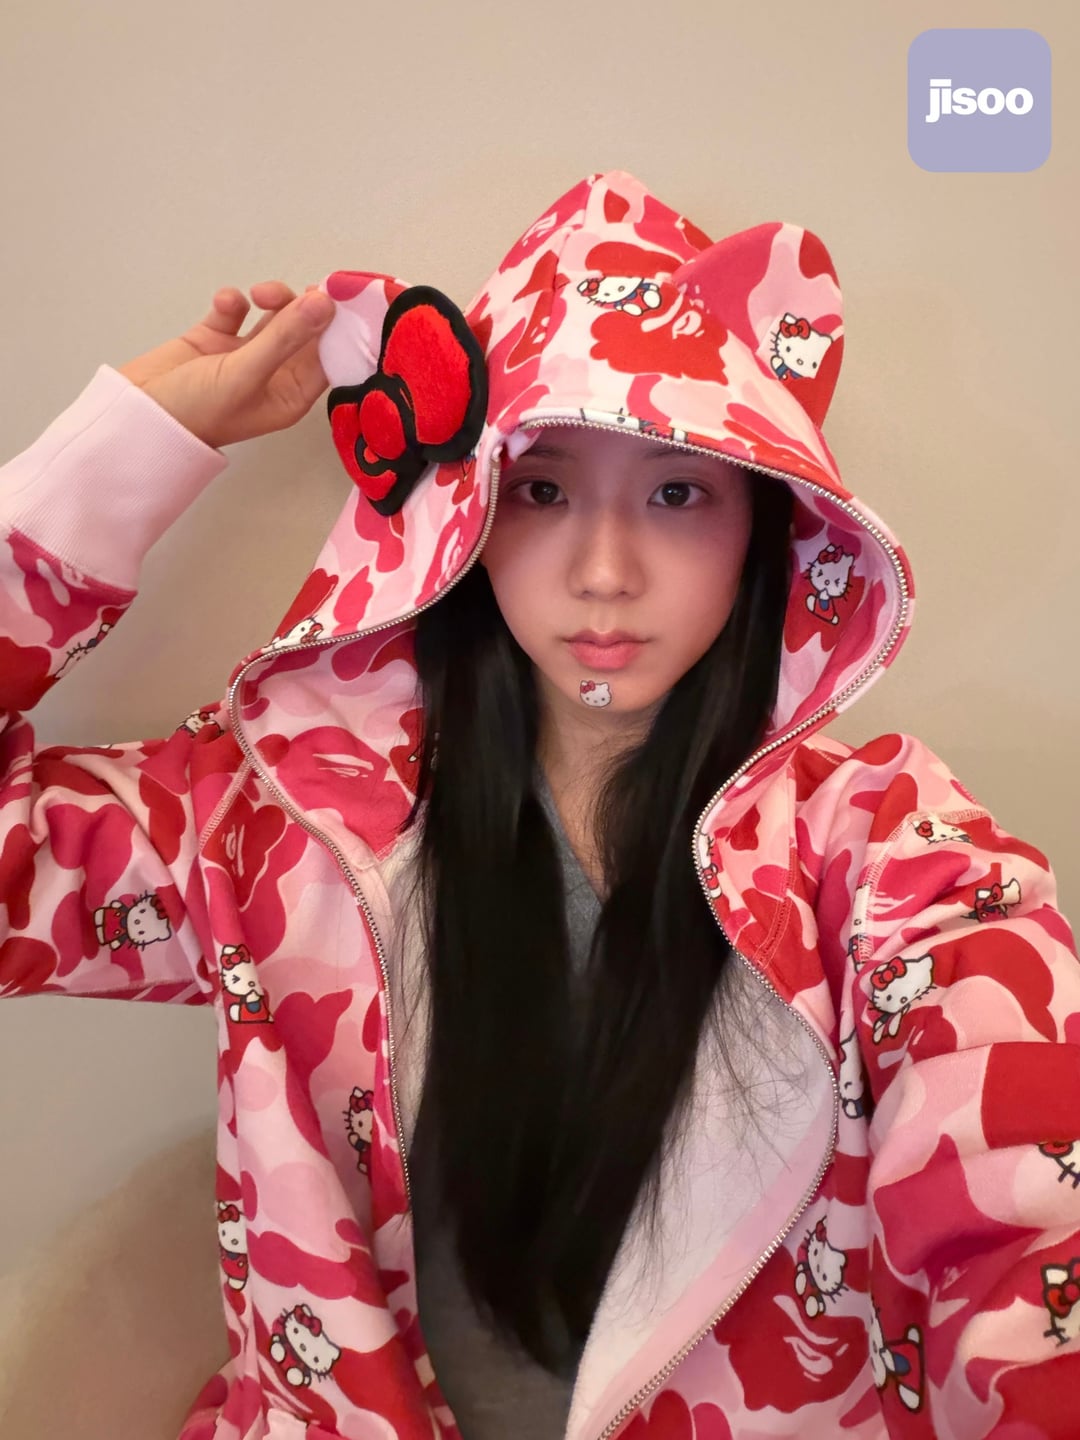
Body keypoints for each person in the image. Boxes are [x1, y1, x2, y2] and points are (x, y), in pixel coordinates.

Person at [1, 169, 1078, 1440]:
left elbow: (1028, 1210)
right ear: (463, 514)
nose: (604, 573)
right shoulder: (275, 820)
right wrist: (127, 451)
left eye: (677, 492)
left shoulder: (890, 852)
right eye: (543, 489)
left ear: (764, 524)